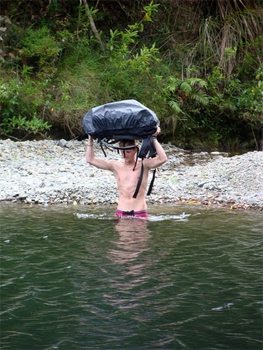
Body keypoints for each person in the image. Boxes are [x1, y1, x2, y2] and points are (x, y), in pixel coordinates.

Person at [85, 126, 167, 218]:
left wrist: (154, 138)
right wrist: (90, 139)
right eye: (122, 152)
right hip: (121, 213)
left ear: (135, 150)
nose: (125, 155)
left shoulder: (144, 165)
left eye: (128, 152)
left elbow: (163, 158)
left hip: (139, 213)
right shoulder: (115, 166)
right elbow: (90, 159)